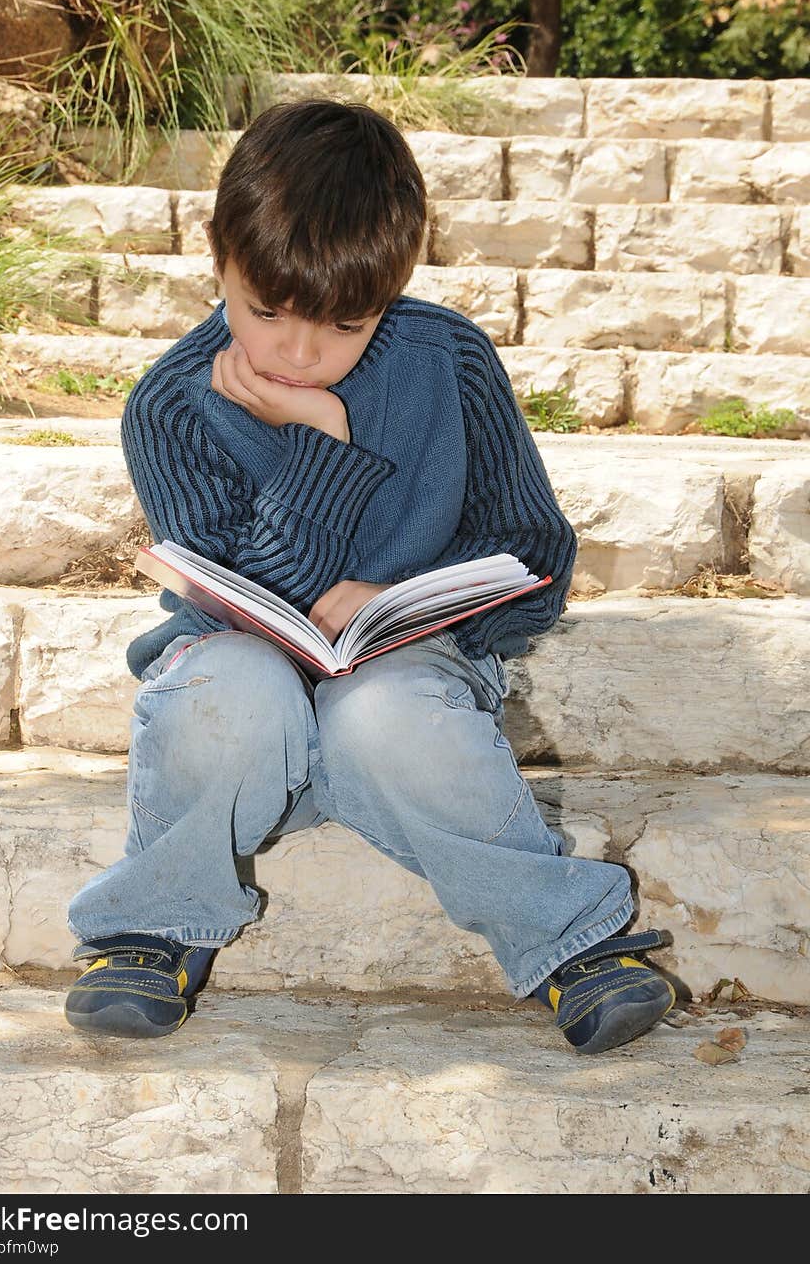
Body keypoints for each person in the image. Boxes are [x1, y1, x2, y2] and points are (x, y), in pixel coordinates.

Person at [64, 99, 675, 1054]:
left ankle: (568, 937)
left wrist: (416, 617)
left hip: (403, 710)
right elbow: (235, 581)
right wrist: (318, 448)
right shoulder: (171, 407)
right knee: (229, 684)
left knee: (386, 709)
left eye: (346, 324)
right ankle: (154, 923)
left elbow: (536, 557)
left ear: (391, 291)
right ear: (216, 257)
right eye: (265, 311)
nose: (299, 351)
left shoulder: (449, 361)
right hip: (245, 718)